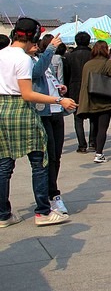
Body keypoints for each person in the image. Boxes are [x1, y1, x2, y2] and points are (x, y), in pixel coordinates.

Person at [0, 17, 76, 228]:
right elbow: (27, 94)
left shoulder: (1, 54)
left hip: (1, 110)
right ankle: (43, 211)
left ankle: (3, 214)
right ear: (33, 36)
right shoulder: (22, 59)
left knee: (4, 165)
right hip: (21, 111)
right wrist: (59, 99)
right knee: (40, 162)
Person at [31, 33, 71, 215]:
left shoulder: (42, 60)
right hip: (44, 112)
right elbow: (37, 72)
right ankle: (51, 194)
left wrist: (59, 88)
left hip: (56, 111)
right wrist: (50, 49)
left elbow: (48, 78)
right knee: (47, 158)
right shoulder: (30, 61)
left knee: (56, 156)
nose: (33, 45)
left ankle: (52, 194)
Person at [76, 40, 111, 163]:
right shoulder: (108, 64)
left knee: (95, 125)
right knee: (103, 128)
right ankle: (99, 153)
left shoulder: (88, 64)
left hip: (91, 99)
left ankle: (94, 145)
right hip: (105, 99)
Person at [63, 31, 94, 153]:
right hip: (91, 87)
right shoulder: (92, 55)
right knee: (93, 117)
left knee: (77, 118)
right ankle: (92, 142)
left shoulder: (69, 56)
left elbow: (66, 74)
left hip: (74, 88)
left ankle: (82, 145)